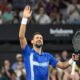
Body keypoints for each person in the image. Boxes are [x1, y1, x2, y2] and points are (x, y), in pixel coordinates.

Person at [19, 5, 79, 80]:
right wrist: (24, 18)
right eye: (37, 38)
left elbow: (63, 66)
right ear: (32, 41)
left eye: (41, 38)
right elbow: (21, 37)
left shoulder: (48, 56)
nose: (39, 39)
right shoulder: (28, 52)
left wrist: (72, 60)